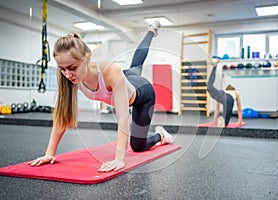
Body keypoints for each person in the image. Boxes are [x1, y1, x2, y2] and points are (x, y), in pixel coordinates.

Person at [29, 21, 174, 172]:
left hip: (142, 93)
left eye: (72, 68)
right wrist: (49, 153)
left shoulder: (111, 71)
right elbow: (62, 115)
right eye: (62, 69)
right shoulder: (70, 76)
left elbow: (123, 117)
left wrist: (119, 159)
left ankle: (160, 134)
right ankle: (151, 31)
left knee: (138, 146)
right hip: (125, 80)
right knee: (135, 67)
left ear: (87, 58)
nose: (67, 74)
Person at [207, 59, 243, 127]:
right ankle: (223, 120)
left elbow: (217, 109)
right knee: (226, 119)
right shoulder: (236, 93)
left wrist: (214, 122)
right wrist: (240, 121)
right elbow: (239, 109)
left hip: (221, 94)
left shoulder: (225, 91)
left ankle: (215, 66)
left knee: (209, 86)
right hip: (229, 99)